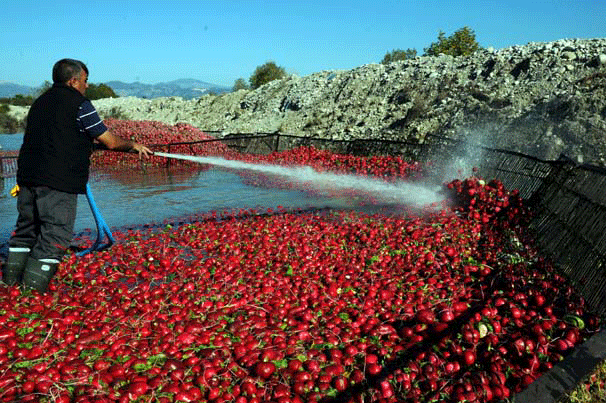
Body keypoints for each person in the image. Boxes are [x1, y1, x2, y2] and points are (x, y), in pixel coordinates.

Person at [2, 58, 153, 293]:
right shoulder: (80, 104)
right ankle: (30, 294)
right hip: (58, 181)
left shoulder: (39, 102)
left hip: (28, 177)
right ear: (73, 81)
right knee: (55, 234)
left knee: (25, 231)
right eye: (85, 80)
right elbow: (110, 141)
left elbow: (58, 136)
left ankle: (10, 285)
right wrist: (132, 146)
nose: (87, 85)